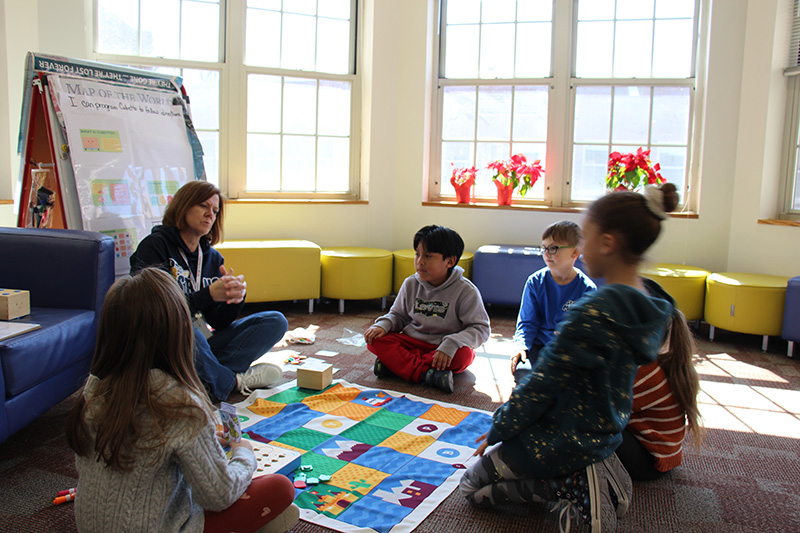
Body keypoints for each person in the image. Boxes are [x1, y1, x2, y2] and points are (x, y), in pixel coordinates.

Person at [459, 184, 693, 531]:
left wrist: (500, 427)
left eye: (586, 236)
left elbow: (541, 388)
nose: (581, 246)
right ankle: (598, 474)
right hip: (606, 435)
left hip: (564, 438)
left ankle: (564, 485)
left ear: (608, 243)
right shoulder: (654, 306)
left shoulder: (592, 313)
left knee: (470, 488)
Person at [66, 267, 299, 533]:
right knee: (280, 488)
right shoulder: (181, 403)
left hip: (90, 526)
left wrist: (203, 440)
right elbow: (218, 494)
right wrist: (243, 451)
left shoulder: (93, 389)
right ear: (180, 331)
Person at [130, 180, 288, 401]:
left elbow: (218, 322)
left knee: (275, 320)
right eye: (203, 206)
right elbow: (156, 311)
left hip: (201, 343)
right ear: (183, 206)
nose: (210, 215)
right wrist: (209, 295)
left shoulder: (212, 257)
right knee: (185, 328)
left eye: (215, 210)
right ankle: (230, 381)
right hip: (164, 342)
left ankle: (202, 377)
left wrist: (234, 299)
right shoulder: (154, 247)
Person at [364, 225, 490, 393]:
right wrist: (383, 325)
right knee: (376, 339)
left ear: (450, 261)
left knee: (464, 356)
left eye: (428, 256)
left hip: (443, 348)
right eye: (417, 254)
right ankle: (427, 375)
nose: (420, 261)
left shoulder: (466, 291)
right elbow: (398, 315)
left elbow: (480, 329)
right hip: (412, 343)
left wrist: (451, 343)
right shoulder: (411, 283)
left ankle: (397, 366)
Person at [510, 220, 596, 381]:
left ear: (575, 252)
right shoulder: (535, 281)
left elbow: (587, 333)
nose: (547, 253)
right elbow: (527, 322)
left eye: (553, 248)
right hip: (538, 345)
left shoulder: (587, 289)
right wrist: (521, 346)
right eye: (544, 248)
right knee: (522, 372)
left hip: (568, 349)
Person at [618, 337, 703, 480]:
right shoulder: (654, 361)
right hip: (660, 453)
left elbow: (606, 410)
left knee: (587, 428)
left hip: (651, 460)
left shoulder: (645, 370)